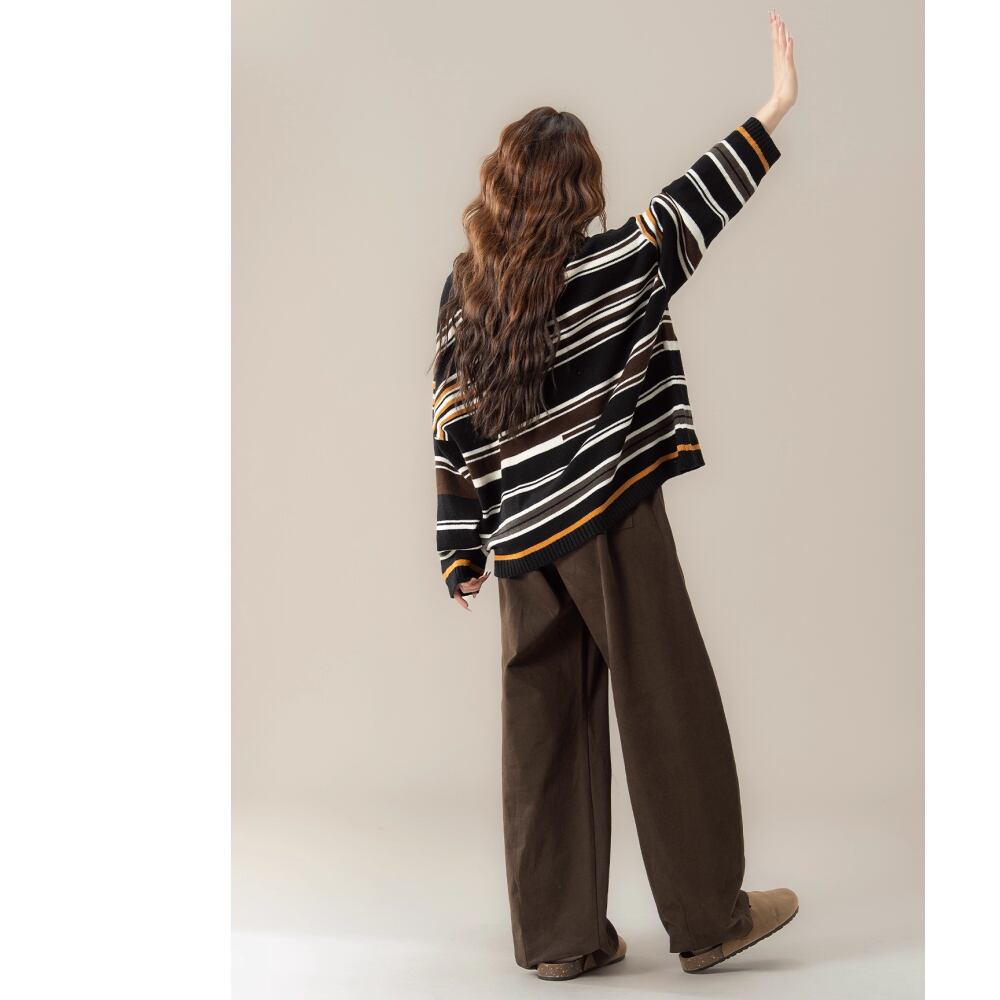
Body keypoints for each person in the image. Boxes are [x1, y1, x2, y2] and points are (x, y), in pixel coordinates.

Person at [430, 8, 800, 981]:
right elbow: (696, 203)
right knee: (666, 705)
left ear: (503, 187)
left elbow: (450, 420)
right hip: (611, 519)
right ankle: (709, 918)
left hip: (521, 542)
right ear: (578, 190)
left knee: (542, 734)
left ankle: (560, 942)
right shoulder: (615, 267)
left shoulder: (464, 293)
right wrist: (774, 107)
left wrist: (460, 545)